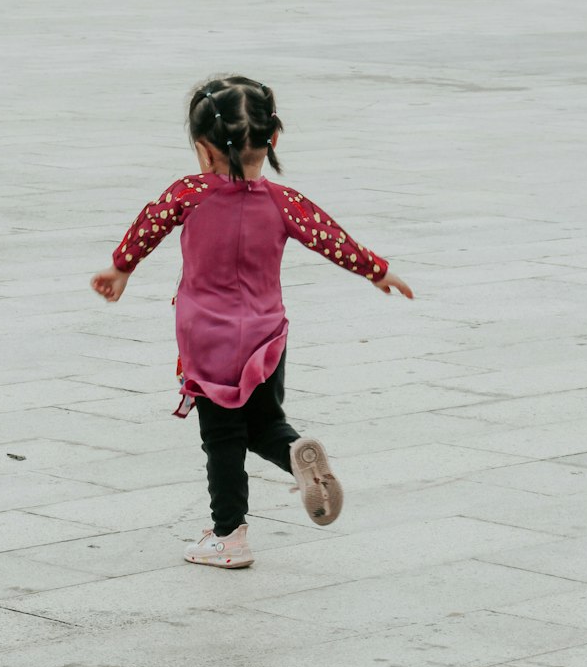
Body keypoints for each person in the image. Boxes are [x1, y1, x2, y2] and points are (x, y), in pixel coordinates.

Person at [91, 76, 413, 569]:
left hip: (208, 340)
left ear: (202, 150)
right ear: (273, 140)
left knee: (222, 439)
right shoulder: (284, 203)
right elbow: (330, 236)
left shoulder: (190, 193)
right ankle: (294, 454)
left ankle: (229, 535)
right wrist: (377, 270)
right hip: (266, 335)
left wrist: (120, 268)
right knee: (264, 424)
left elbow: (148, 225)